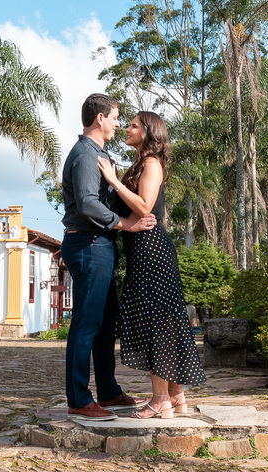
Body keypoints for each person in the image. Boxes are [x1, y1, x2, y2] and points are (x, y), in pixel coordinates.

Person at [97, 111, 205, 419]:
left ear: (148, 132)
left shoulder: (152, 164)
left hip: (151, 250)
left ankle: (159, 400)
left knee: (156, 322)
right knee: (163, 322)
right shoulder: (139, 164)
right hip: (143, 249)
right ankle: (176, 395)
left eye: (133, 125)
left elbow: (144, 206)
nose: (127, 129)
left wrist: (114, 181)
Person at [61, 93, 156, 421]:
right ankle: (78, 399)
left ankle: (110, 393)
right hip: (88, 245)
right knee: (86, 324)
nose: (118, 122)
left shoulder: (98, 154)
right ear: (100, 118)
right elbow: (88, 203)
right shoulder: (87, 156)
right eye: (115, 117)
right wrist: (126, 224)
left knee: (103, 323)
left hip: (99, 245)